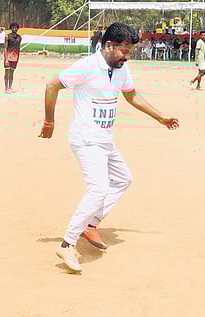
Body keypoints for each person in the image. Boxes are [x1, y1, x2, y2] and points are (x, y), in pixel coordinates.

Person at [38, 22, 179, 273]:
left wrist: (160, 117)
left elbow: (132, 95)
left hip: (104, 138)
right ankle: (67, 243)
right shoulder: (86, 66)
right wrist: (49, 121)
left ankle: (90, 225)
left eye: (130, 52)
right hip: (85, 138)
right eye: (124, 51)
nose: (128, 56)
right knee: (98, 188)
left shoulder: (121, 69)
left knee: (124, 178)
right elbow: (52, 86)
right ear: (108, 45)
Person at [4, 22, 22, 94]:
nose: (14, 29)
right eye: (13, 27)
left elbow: (18, 48)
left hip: (15, 58)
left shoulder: (19, 37)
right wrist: (6, 59)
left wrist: (18, 57)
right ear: (11, 28)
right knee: (7, 73)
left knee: (12, 73)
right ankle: (6, 88)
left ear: (18, 28)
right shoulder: (7, 36)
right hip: (8, 57)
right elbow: (5, 48)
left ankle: (10, 87)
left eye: (16, 27)